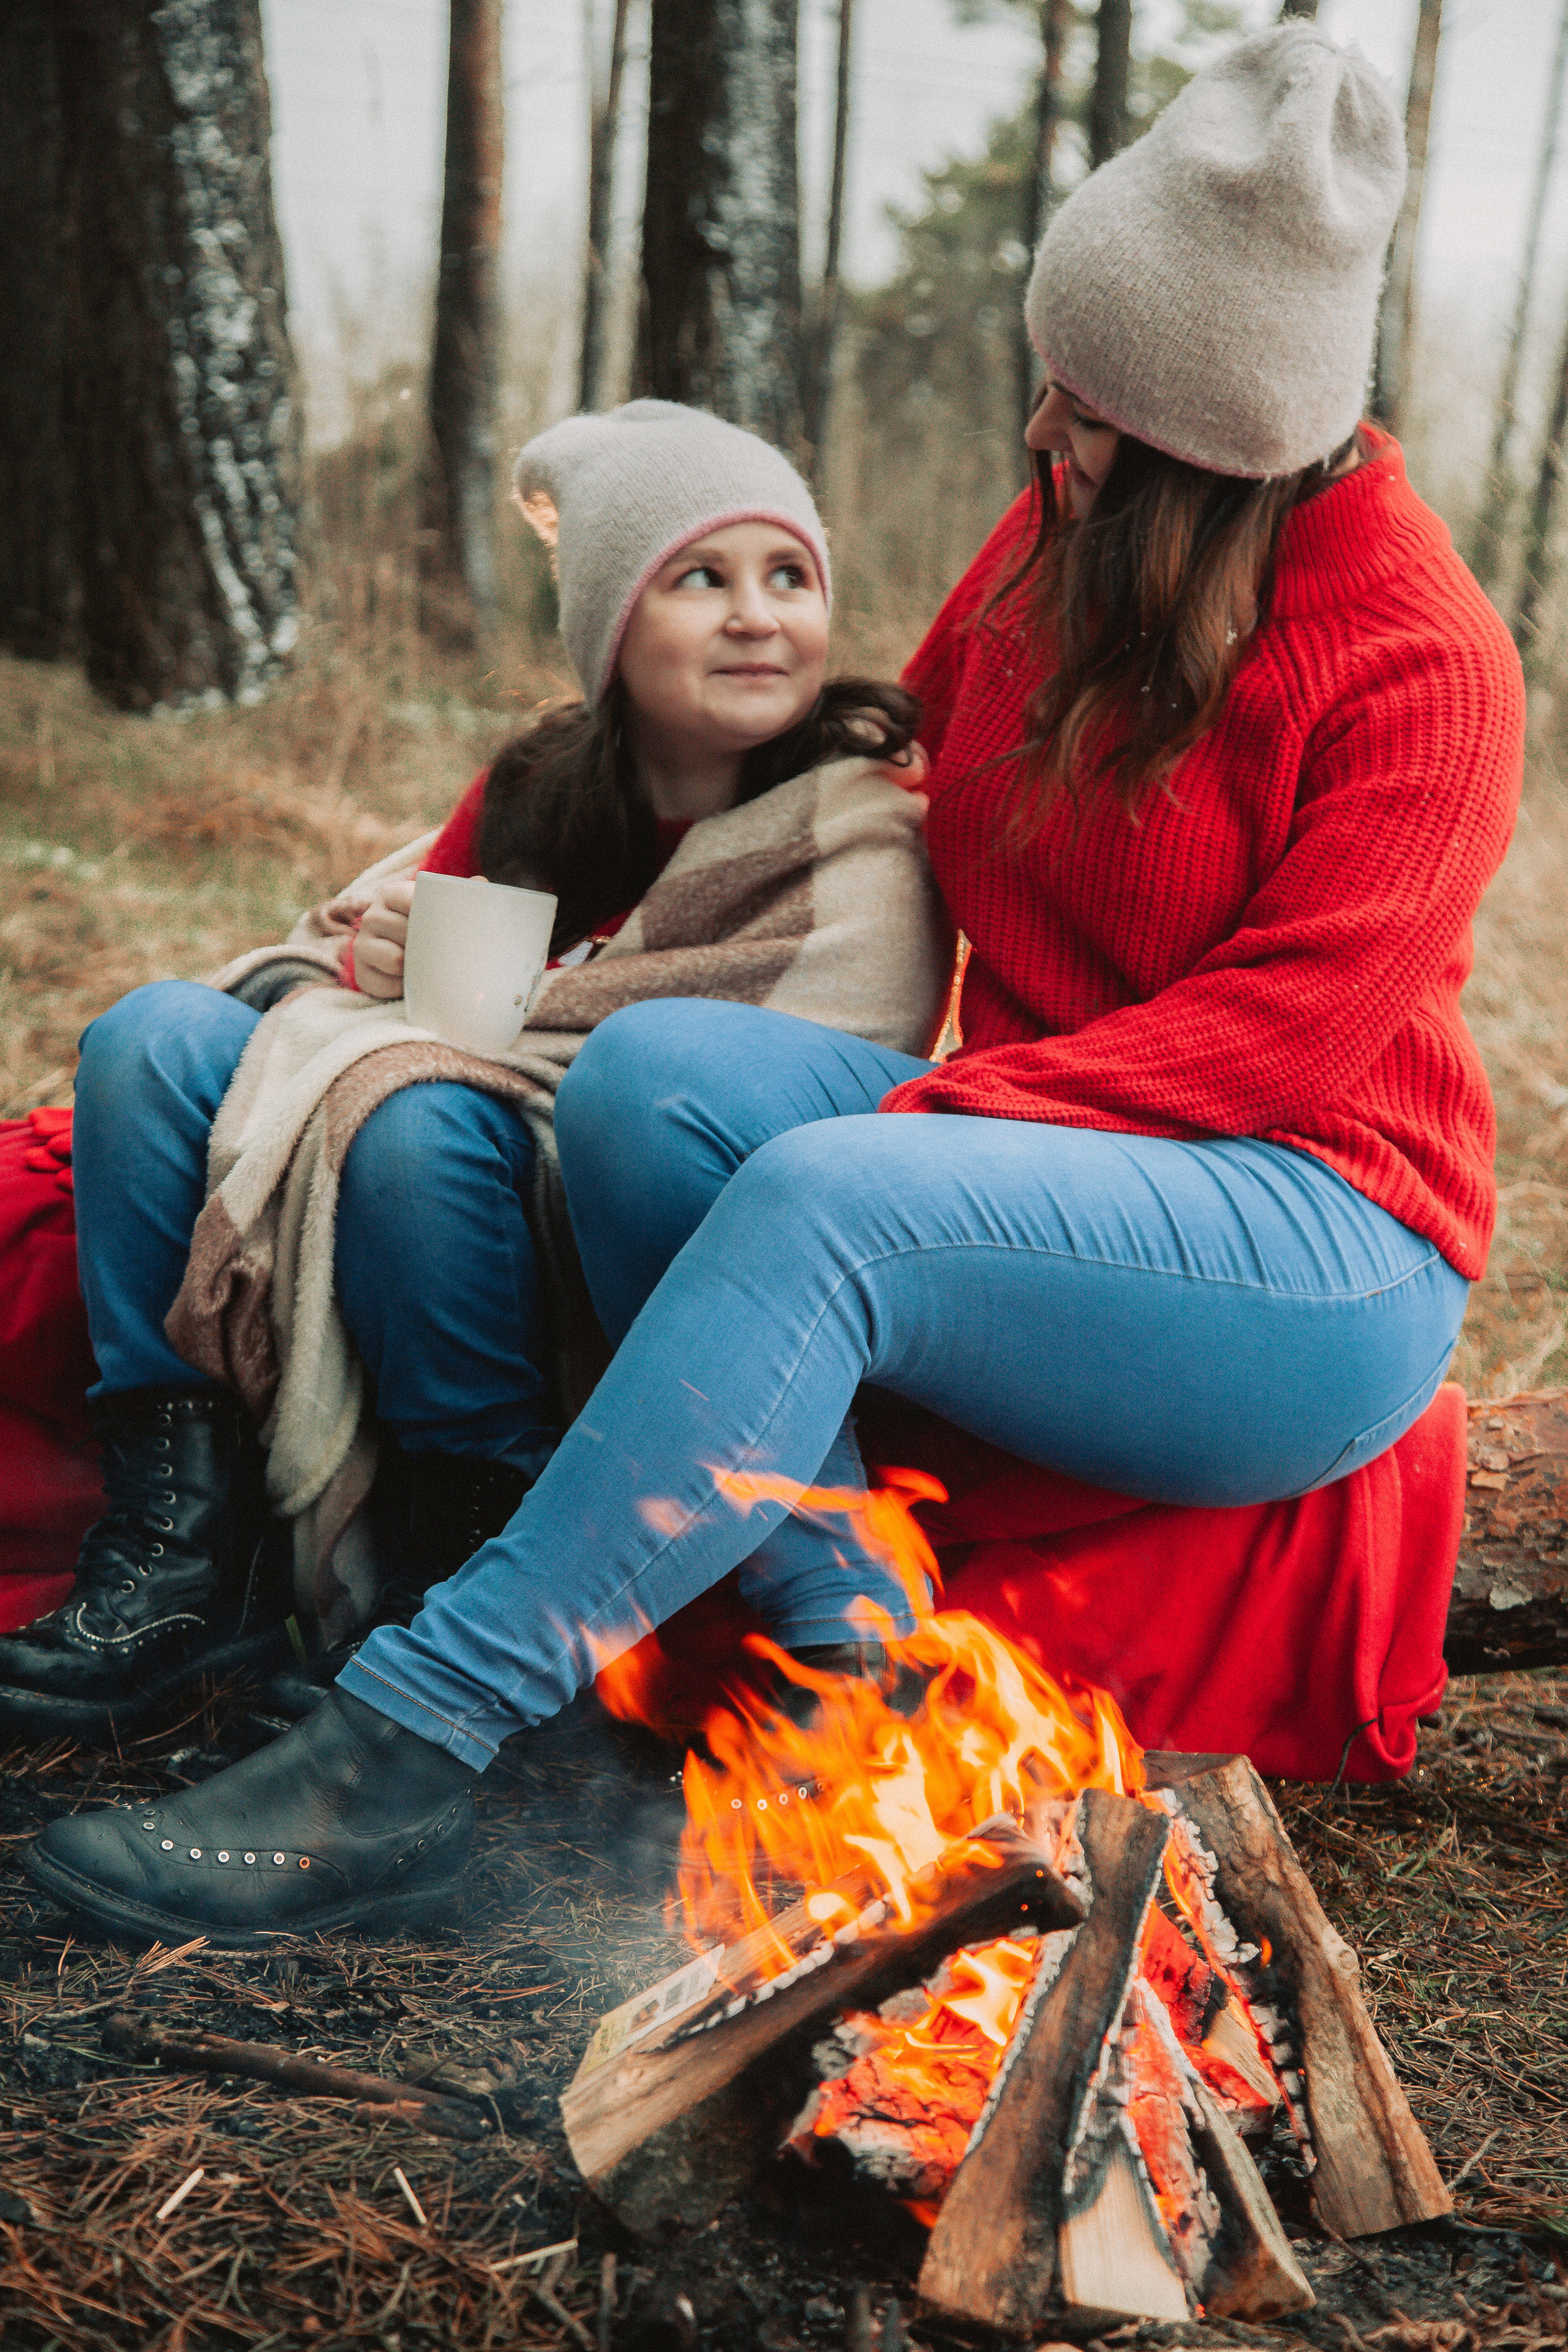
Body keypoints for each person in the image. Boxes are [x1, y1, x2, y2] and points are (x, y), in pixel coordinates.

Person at [28, 24, 1526, 1948]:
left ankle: (416, 1735)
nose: (1037, 431)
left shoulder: (1425, 658)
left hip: (1316, 1231)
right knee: (665, 1084)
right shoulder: (1058, 552)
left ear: (1200, 448)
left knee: (822, 1198)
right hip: (1058, 1154)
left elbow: (1287, 1037)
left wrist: (914, 1141)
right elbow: (878, 784)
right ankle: (847, 1671)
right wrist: (557, 893)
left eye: (1081, 404)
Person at [0, 402, 946, 1743]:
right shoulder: (547, 781)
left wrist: (482, 1020)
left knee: (411, 1113)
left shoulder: (855, 821)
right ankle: (174, 1547)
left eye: (786, 577)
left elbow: (823, 1042)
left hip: (616, 1190)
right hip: (438, 1114)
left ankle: (456, 1543)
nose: (757, 616)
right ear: (612, 623)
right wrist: (374, 957)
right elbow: (344, 951)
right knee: (149, 1036)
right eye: (702, 578)